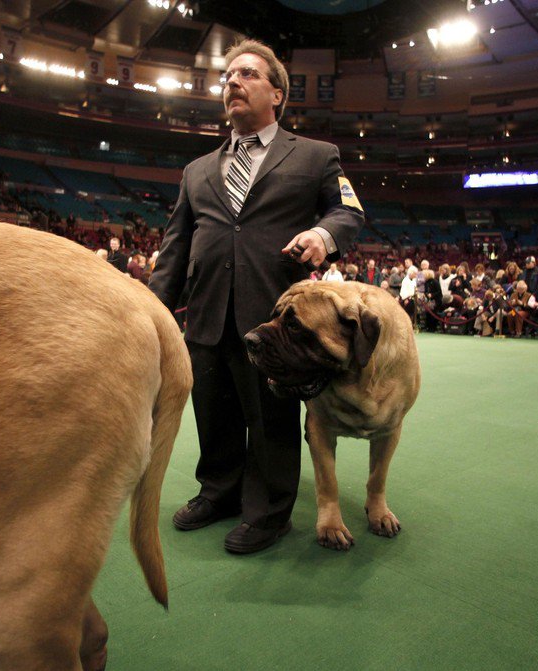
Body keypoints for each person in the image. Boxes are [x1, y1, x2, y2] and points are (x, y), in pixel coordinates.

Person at [148, 38, 363, 555]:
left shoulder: (315, 156)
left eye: (246, 74)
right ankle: (219, 492)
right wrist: (152, 309)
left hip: (274, 319)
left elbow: (349, 212)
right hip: (205, 315)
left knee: (270, 419)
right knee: (212, 411)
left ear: (277, 94)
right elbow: (176, 248)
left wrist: (323, 235)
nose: (233, 82)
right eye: (227, 77)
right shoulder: (197, 170)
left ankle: (268, 513)